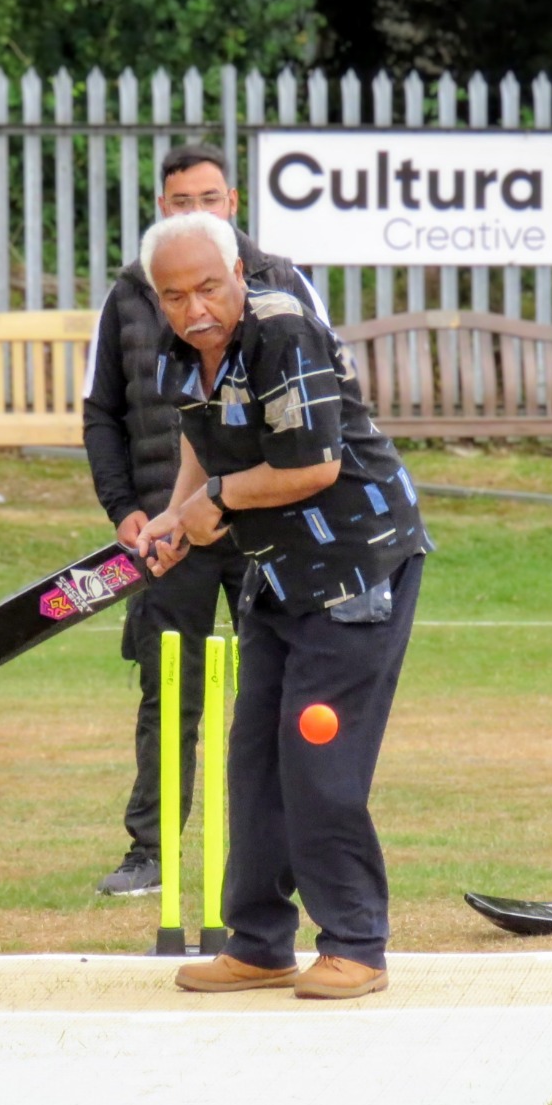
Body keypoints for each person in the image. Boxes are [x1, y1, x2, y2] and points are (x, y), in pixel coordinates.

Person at [134, 211, 432, 1000]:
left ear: (237, 272)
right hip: (274, 571)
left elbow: (312, 466)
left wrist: (217, 504)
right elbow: (206, 437)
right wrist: (176, 515)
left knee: (318, 758)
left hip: (355, 564)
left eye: (207, 288)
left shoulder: (281, 328)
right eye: (173, 295)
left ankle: (357, 943)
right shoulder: (178, 349)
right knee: (254, 761)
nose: (194, 309)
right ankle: (260, 943)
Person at [83, 144, 328, 897]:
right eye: (180, 200)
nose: (195, 210)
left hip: (266, 521)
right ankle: (150, 852)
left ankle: (277, 857)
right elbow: (103, 413)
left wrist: (232, 498)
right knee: (169, 688)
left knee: (282, 692)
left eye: (209, 198)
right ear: (163, 207)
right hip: (170, 528)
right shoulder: (135, 291)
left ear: (234, 203)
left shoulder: (282, 286)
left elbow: (322, 422)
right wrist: (129, 510)